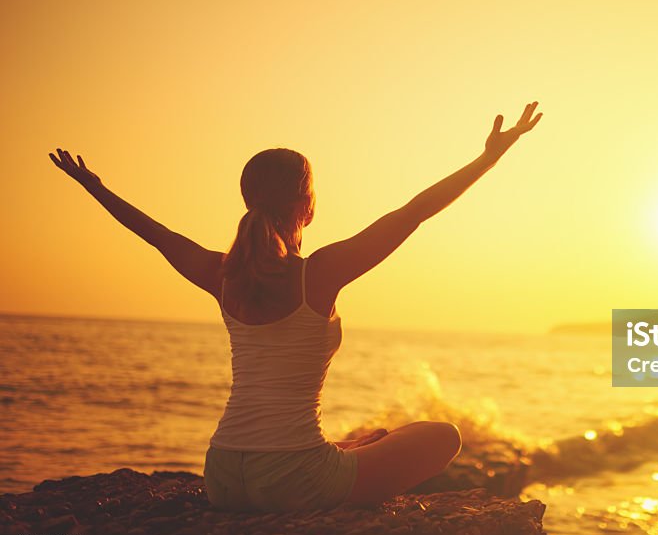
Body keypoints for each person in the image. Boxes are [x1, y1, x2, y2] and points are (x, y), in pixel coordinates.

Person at [48, 101, 544, 510]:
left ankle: (338, 451)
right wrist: (488, 160)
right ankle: (332, 459)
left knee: (370, 437)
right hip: (292, 480)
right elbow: (414, 213)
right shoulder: (319, 273)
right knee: (443, 436)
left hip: (223, 472)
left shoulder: (224, 274)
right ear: (308, 206)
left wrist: (95, 188)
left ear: (248, 200)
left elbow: (157, 235)